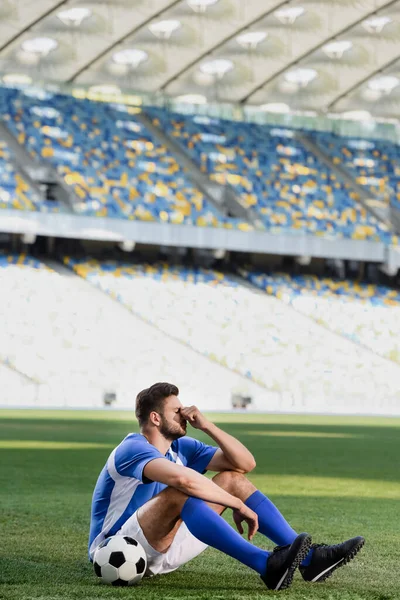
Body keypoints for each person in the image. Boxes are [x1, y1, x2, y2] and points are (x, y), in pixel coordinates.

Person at [89, 382, 364, 591]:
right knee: (182, 490)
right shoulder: (132, 448)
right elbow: (183, 481)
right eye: (176, 411)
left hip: (162, 547)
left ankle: (310, 559)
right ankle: (265, 565)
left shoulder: (182, 447)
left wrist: (207, 426)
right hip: (119, 548)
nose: (184, 414)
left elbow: (245, 463)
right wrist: (237, 504)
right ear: (155, 418)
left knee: (232, 478)